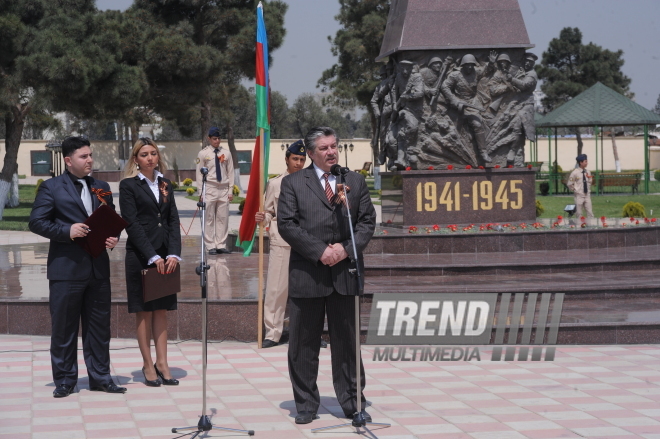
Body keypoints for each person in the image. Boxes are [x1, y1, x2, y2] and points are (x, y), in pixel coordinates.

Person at [277, 127, 377, 424]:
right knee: (303, 343)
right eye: (324, 148)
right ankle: (306, 404)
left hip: (345, 273)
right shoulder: (294, 183)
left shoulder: (354, 181)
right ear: (310, 153)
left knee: (347, 342)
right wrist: (320, 251)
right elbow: (287, 224)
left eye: (334, 146)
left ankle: (352, 401)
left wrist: (345, 249)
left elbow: (367, 222)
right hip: (309, 272)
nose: (331, 152)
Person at [29, 136, 125, 397]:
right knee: (64, 328)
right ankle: (65, 380)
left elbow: (110, 219)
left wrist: (113, 238)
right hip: (66, 270)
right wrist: (66, 230)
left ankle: (101, 377)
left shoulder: (102, 186)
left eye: (90, 155)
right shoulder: (51, 187)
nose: (90, 160)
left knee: (99, 328)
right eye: (84, 156)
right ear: (69, 161)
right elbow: (36, 222)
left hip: (98, 269)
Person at [120, 137, 182, 387]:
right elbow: (131, 223)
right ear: (136, 159)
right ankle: (148, 364)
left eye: (153, 153)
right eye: (144, 154)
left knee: (161, 311)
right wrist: (152, 256)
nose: (150, 158)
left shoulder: (165, 183)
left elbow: (173, 219)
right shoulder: (128, 186)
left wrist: (174, 253)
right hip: (141, 256)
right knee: (144, 312)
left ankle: (163, 362)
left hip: (166, 257)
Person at [256, 140, 329, 349]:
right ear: (287, 159)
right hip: (283, 242)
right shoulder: (276, 184)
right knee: (276, 289)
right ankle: (273, 332)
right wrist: (263, 218)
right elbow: (269, 211)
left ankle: (312, 334)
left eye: (301, 159)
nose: (298, 163)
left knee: (312, 291)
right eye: (294, 159)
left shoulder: (314, 181)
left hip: (309, 243)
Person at [196, 127, 234, 255]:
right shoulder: (203, 154)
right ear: (209, 139)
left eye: (218, 138)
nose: (217, 141)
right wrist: (201, 192)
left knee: (223, 218)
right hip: (210, 187)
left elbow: (231, 172)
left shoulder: (226, 153)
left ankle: (221, 244)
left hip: (223, 187)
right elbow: (199, 174)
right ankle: (210, 245)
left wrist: (230, 191)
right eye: (214, 139)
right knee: (209, 218)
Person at [567, 154, 594, 218]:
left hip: (587, 195)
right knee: (579, 213)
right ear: (580, 162)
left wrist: (588, 187)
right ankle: (580, 226)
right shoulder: (575, 173)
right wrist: (575, 190)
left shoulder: (588, 172)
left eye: (587, 161)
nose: (587, 163)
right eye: (585, 161)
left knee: (590, 213)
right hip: (579, 195)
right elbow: (569, 183)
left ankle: (590, 226)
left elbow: (590, 180)